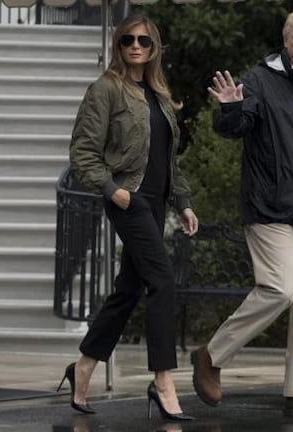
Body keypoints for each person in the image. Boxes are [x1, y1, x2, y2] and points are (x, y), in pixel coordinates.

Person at [191, 8, 293, 420]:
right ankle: (211, 356)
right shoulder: (261, 80)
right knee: (278, 290)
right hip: (270, 208)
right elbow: (236, 127)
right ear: (285, 40)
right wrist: (230, 108)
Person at [59, 13, 198, 421]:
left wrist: (184, 202)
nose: (135, 46)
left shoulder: (158, 93)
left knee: (129, 289)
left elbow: (168, 161)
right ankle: (163, 381)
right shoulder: (105, 90)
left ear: (154, 48)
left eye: (144, 41)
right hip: (130, 199)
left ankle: (82, 367)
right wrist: (112, 190)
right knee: (162, 280)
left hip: (156, 202)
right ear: (118, 45)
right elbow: (82, 152)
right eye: (127, 40)